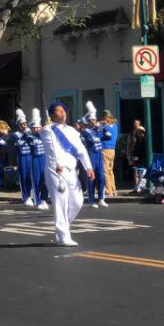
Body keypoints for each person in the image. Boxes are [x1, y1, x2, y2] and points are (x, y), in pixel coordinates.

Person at [40, 102, 94, 247]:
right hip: (56, 170)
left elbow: (81, 150)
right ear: (52, 115)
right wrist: (58, 164)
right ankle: (63, 237)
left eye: (64, 111)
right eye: (59, 111)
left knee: (78, 202)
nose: (63, 113)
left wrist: (88, 167)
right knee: (61, 204)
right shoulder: (47, 130)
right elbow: (52, 150)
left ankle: (62, 228)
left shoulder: (71, 130)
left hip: (72, 170)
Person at [81, 102, 108, 208]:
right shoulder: (86, 131)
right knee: (91, 178)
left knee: (102, 177)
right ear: (88, 121)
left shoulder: (98, 130)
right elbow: (90, 140)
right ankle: (91, 200)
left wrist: (103, 128)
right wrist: (97, 129)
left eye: (95, 120)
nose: (94, 121)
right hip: (91, 155)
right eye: (92, 120)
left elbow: (108, 136)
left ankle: (101, 198)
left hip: (99, 155)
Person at [27, 109, 49, 210]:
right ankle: (37, 200)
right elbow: (32, 140)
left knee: (45, 180)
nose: (37, 129)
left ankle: (44, 199)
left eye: (38, 127)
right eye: (34, 128)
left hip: (44, 159)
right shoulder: (29, 137)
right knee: (36, 180)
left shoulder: (44, 135)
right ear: (31, 128)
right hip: (35, 159)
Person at [12, 109, 34, 206]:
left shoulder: (30, 132)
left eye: (25, 123)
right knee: (24, 176)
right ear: (19, 125)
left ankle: (33, 194)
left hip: (30, 156)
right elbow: (19, 143)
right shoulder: (16, 134)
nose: (25, 125)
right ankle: (26, 197)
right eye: (23, 124)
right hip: (22, 157)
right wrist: (26, 134)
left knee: (31, 176)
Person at [100, 110, 118, 197]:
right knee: (110, 171)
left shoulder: (105, 126)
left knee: (105, 171)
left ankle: (108, 191)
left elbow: (101, 130)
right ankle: (114, 190)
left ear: (105, 117)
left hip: (105, 149)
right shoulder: (115, 126)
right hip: (113, 150)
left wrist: (101, 124)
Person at [130, 120, 147, 193]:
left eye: (140, 132)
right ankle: (137, 187)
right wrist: (132, 157)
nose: (139, 133)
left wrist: (138, 157)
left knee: (142, 174)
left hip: (142, 159)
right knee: (136, 173)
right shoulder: (137, 140)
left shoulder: (145, 140)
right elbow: (133, 148)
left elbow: (144, 151)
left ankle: (141, 188)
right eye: (138, 132)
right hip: (136, 159)